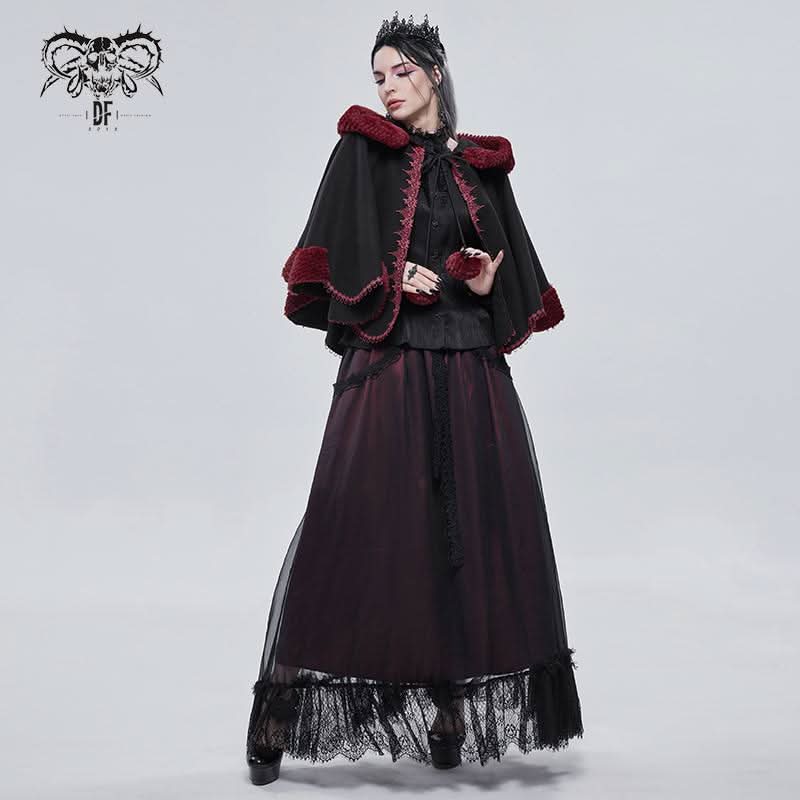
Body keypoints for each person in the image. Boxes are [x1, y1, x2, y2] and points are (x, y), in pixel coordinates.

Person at [245, 11, 584, 785]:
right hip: (390, 363)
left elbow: (511, 277)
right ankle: (278, 715)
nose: (388, 88)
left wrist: (485, 281)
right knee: (354, 523)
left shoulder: (480, 166)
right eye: (378, 76)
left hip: (469, 366)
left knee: (466, 531)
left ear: (434, 72)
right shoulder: (361, 149)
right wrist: (390, 274)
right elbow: (328, 254)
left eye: (400, 71)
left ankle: (448, 712)